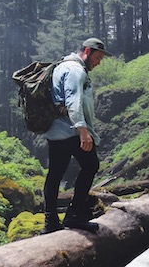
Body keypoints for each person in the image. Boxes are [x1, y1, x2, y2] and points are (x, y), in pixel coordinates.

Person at [41, 37, 111, 234]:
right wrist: (83, 130)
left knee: (55, 174)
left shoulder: (61, 66)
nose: (98, 63)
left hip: (55, 130)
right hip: (70, 129)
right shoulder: (75, 70)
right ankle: (75, 216)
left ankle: (50, 222)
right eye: (97, 58)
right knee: (91, 165)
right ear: (87, 52)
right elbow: (73, 101)